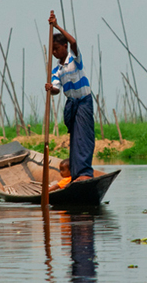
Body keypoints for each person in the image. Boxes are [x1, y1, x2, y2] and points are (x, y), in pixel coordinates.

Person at [44, 10, 95, 182]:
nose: (54, 53)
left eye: (56, 49)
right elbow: (57, 90)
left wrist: (57, 25)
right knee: (74, 138)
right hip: (72, 104)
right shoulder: (56, 70)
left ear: (64, 47)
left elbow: (73, 41)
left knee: (84, 137)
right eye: (52, 51)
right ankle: (76, 172)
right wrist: (51, 88)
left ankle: (85, 173)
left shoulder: (75, 59)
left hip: (84, 101)